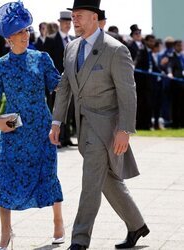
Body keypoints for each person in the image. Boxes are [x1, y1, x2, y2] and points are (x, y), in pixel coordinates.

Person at [49, 0, 150, 249]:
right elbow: (64, 88)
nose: (74, 20)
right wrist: (56, 121)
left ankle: (79, 241)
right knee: (106, 179)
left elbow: (128, 93)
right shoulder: (71, 48)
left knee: (90, 182)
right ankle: (137, 225)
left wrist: (125, 130)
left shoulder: (116, 50)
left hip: (106, 129)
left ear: (94, 17)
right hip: (83, 127)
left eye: (79, 15)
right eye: (73, 16)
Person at [0, 1, 64, 249]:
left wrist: (76, 74)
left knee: (48, 173)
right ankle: (5, 232)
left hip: (41, 126)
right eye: (21, 31)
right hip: (13, 127)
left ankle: (58, 222)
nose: (26, 35)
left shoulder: (41, 58)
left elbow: (57, 85)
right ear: (9, 37)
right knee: (5, 177)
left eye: (27, 30)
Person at [44, 11, 77, 147]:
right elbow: (47, 62)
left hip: (72, 81)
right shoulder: (51, 39)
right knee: (57, 110)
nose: (67, 25)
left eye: (69, 23)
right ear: (60, 23)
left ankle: (66, 138)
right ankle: (57, 138)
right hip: (57, 82)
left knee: (69, 111)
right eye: (65, 22)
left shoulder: (74, 39)